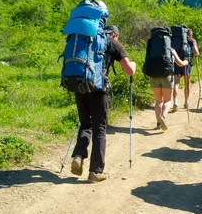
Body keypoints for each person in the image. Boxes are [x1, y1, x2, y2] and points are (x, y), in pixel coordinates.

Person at [70, 23, 137, 183]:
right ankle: (95, 171)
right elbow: (129, 70)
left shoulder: (86, 40)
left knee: (85, 124)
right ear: (114, 34)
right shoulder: (112, 43)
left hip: (80, 88)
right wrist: (133, 65)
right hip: (99, 91)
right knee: (99, 129)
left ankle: (78, 155)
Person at [151, 48, 188, 130]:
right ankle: (163, 117)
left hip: (153, 76)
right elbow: (180, 63)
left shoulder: (151, 47)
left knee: (158, 101)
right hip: (167, 76)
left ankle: (158, 124)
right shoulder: (170, 49)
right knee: (167, 100)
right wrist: (186, 61)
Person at [173, 28, 199, 111]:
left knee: (176, 83)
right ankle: (186, 103)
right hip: (186, 63)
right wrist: (197, 53)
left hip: (176, 63)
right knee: (187, 83)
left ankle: (175, 103)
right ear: (190, 34)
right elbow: (195, 52)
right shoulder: (191, 40)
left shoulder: (175, 40)